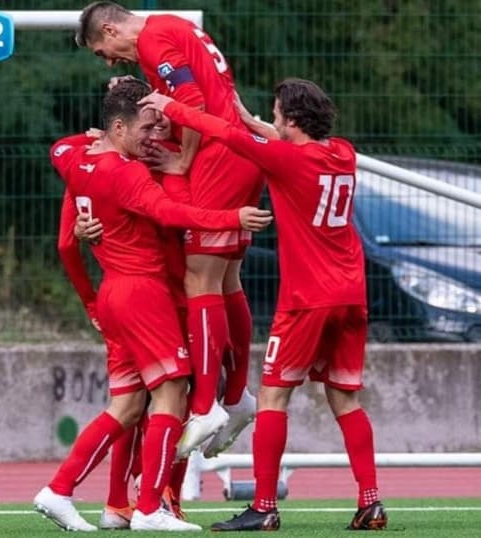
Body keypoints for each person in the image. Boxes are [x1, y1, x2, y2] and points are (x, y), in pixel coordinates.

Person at [139, 79, 388, 531]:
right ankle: (370, 500)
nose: (271, 121)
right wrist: (253, 118)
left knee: (273, 396)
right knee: (345, 399)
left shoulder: (286, 161)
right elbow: (271, 136)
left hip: (306, 300)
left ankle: (265, 506)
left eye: (275, 114)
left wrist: (172, 106)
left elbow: (228, 136)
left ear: (291, 120)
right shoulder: (343, 153)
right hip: (351, 294)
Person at [33, 80, 271, 532]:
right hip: (148, 294)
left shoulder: (75, 157)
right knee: (171, 396)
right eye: (147, 126)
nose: (156, 135)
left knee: (126, 408)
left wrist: (95, 141)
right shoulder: (129, 173)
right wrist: (231, 216)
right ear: (119, 126)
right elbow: (173, 214)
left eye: (163, 124)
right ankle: (149, 508)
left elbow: (61, 156)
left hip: (115, 294)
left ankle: (66, 491)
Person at [76, 2, 265, 458]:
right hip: (239, 149)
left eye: (103, 49)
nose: (107, 60)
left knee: (199, 278)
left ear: (109, 27)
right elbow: (187, 92)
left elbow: (194, 103)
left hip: (218, 154)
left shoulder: (152, 39)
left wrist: (183, 159)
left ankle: (206, 406)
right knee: (225, 279)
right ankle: (236, 397)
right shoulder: (171, 27)